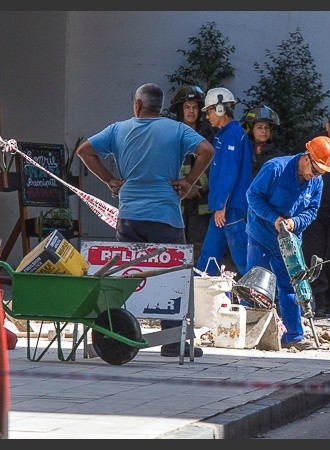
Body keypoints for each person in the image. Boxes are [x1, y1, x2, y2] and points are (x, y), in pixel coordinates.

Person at [76, 82, 214, 358]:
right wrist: (188, 182)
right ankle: (174, 340)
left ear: (137, 105)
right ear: (159, 107)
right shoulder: (175, 130)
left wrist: (110, 180)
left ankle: (120, 332)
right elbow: (207, 150)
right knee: (172, 275)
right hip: (167, 217)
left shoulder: (118, 129)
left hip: (130, 218)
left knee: (126, 277)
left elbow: (84, 150)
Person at [245, 135, 330, 350]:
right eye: (315, 171)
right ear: (307, 158)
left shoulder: (316, 181)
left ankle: (293, 335)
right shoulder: (275, 168)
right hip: (261, 235)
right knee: (255, 285)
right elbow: (253, 196)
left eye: (321, 173)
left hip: (289, 242)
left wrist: (294, 222)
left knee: (290, 286)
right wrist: (274, 218)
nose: (316, 176)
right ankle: (246, 332)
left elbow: (312, 211)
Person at [294, 109, 330, 316]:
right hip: (313, 209)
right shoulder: (314, 144)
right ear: (327, 126)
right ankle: (318, 297)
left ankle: (329, 293)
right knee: (313, 254)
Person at [195, 87, 253, 277]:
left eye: (210, 111)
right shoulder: (228, 134)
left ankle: (257, 295)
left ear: (220, 109)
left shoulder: (232, 135)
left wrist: (221, 205)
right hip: (226, 206)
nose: (207, 116)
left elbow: (229, 172)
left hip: (230, 207)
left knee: (242, 256)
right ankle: (200, 290)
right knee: (210, 251)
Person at [168, 85, 215, 252]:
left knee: (198, 247)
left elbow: (214, 166)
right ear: (180, 110)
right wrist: (180, 186)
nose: (191, 111)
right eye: (187, 107)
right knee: (174, 245)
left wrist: (197, 186)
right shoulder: (171, 134)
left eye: (195, 107)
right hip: (176, 199)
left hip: (201, 201)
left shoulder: (210, 135)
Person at [242, 105, 284, 177]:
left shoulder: (279, 157)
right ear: (251, 130)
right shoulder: (242, 151)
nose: (264, 131)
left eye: (267, 128)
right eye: (259, 127)